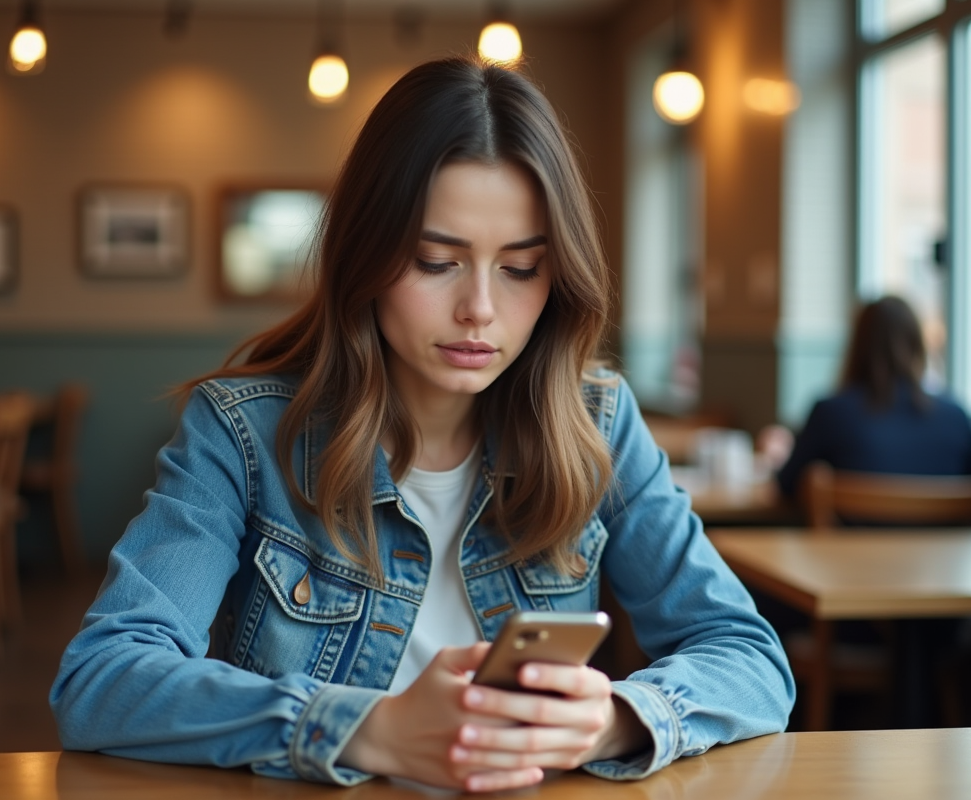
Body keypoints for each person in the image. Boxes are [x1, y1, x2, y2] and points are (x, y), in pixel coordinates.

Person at [50, 56, 793, 792]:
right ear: (365, 256)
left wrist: (616, 719)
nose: (479, 308)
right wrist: (369, 729)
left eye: (521, 268)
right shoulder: (242, 434)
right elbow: (102, 679)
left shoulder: (597, 419)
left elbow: (748, 658)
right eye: (436, 261)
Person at [776, 295, 971, 499]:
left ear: (856, 345)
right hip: (943, 532)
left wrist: (777, 457)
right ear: (917, 344)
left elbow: (786, 486)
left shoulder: (830, 413)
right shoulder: (957, 417)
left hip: (854, 531)